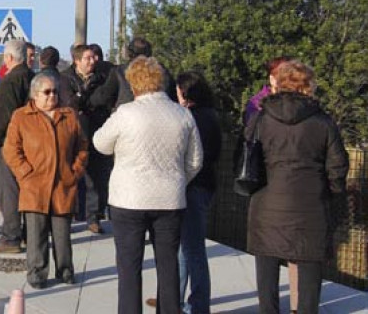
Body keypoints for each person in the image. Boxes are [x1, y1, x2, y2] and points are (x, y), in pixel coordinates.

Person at [93, 56, 203, 314]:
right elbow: (195, 161)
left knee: (129, 268)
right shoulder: (183, 114)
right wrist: (177, 179)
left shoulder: (126, 113)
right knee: (168, 265)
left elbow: (100, 143)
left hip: (128, 199)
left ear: (134, 84)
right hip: (170, 198)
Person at [245, 60, 348, 314]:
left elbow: (245, 158)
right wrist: (332, 194)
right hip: (310, 208)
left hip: (267, 205)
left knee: (266, 281)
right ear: (307, 86)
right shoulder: (323, 122)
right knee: (309, 285)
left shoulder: (260, 119)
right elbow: (338, 167)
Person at [145, 71, 222, 313]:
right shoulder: (210, 116)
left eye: (178, 91)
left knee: (193, 250)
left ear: (187, 93)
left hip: (192, 188)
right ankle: (174, 300)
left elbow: (190, 156)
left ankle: (198, 305)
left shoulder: (192, 118)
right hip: (202, 186)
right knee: (184, 249)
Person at [3, 73, 87, 289]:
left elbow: (82, 147)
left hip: (62, 185)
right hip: (34, 187)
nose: (52, 96)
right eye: (47, 92)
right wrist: (25, 173)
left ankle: (65, 271)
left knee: (62, 235)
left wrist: (75, 171)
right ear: (35, 95)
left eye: (55, 92)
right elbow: (11, 149)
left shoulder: (69, 116)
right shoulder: (21, 116)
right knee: (36, 235)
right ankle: (37, 274)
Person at [241, 56, 300, 313]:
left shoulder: (260, 109)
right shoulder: (258, 106)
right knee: (271, 255)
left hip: (278, 188)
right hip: (273, 184)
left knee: (294, 253)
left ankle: (296, 305)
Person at [0, 39, 35, 254]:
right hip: (30, 141)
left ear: (8, 58)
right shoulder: (32, 79)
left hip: (9, 142)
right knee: (25, 188)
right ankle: (27, 234)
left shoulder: (9, 82)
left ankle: (10, 237)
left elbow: (3, 117)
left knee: (9, 190)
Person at [64, 44, 109, 232]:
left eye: (94, 57)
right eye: (88, 58)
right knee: (70, 175)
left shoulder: (103, 78)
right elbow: (68, 102)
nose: (93, 61)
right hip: (72, 133)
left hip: (96, 130)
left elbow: (105, 99)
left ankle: (93, 217)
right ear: (77, 61)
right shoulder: (65, 78)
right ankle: (67, 215)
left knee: (96, 178)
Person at [90, 37, 177, 110]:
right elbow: (174, 97)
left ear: (129, 54)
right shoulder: (163, 71)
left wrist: (88, 100)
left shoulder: (119, 72)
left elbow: (103, 96)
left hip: (127, 121)